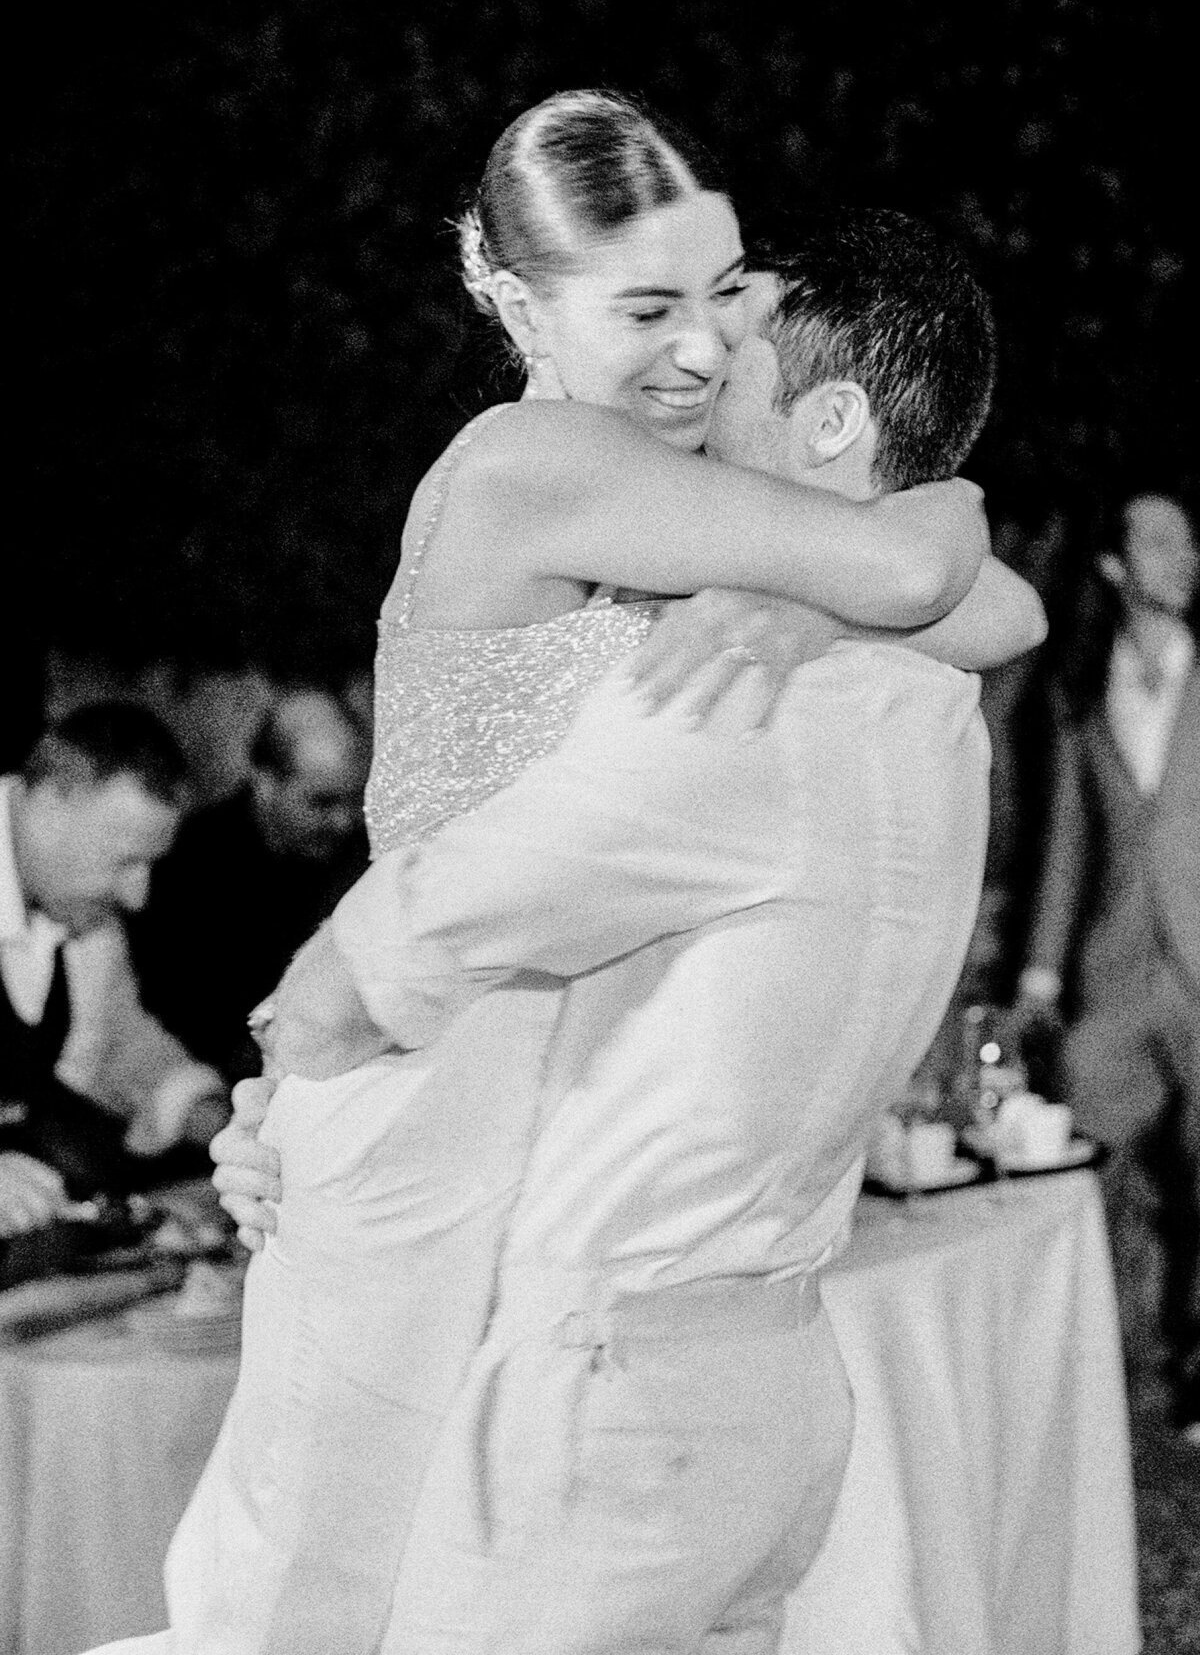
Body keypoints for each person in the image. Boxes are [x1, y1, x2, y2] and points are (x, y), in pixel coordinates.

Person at [88, 96, 1039, 1655]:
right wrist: (883, 546)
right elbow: (939, 571)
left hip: (525, 1089)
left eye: (707, 304)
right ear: (523, 303)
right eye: (647, 308)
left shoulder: (680, 515)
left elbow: (997, 616)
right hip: (422, 1071)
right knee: (313, 1592)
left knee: (430, 1594)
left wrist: (808, 603)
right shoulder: (535, 458)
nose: (690, 355)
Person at [1012, 490, 1200, 1436]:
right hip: (1119, 971)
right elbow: (1066, 845)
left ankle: (1196, 1382)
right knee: (1077, 1154)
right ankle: (1076, 1377)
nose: (1183, 556)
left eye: (1187, 539)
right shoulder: (1079, 691)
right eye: (1159, 541)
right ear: (1117, 568)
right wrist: (1041, 979)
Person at [1, 704, 229, 1241]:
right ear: (52, 802)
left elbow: (118, 1041)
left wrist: (218, 1120)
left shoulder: (78, 907)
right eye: (125, 861)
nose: (138, 894)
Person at [131, 688, 369, 1083]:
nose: (343, 822)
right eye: (321, 803)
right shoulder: (188, 865)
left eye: (354, 801)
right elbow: (174, 1014)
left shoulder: (356, 850)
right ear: (264, 781)